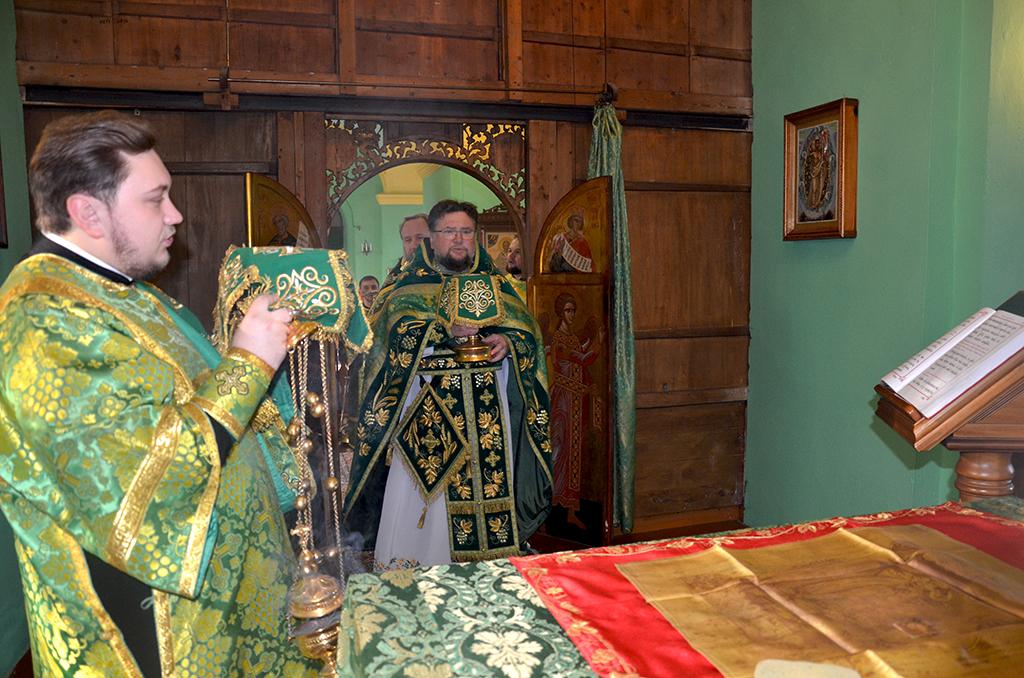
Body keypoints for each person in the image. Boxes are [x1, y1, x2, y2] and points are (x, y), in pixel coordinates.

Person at [0, 111, 318, 676]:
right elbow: (146, 481)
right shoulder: (42, 318)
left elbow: (206, 402)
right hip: (152, 630)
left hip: (231, 599)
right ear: (87, 212)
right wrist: (248, 363)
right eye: (155, 199)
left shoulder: (132, 296)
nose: (175, 214)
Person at [343, 199, 552, 568]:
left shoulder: (497, 284)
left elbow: (527, 334)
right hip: (428, 410)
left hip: (488, 414)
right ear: (433, 237)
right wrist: (443, 330)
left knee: (490, 487)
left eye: (466, 231)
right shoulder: (408, 286)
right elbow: (390, 338)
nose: (459, 239)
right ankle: (423, 570)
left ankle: (492, 564)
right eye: (450, 231)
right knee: (429, 506)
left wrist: (508, 342)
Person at [380, 213, 429, 287]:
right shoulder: (395, 279)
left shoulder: (444, 272)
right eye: (408, 240)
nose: (413, 245)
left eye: (420, 238)